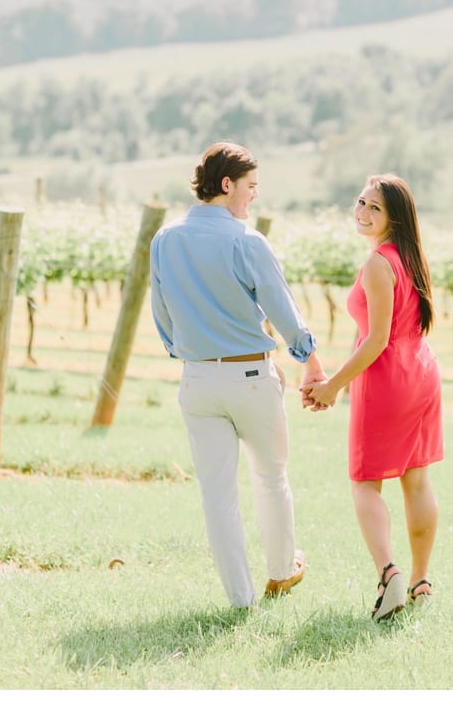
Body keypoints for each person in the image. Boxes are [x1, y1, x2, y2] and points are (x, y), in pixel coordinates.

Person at [150, 141, 325, 609]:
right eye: (250, 187)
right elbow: (282, 309)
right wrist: (310, 359)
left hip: (197, 381)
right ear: (227, 185)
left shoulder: (164, 240)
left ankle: (241, 599)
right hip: (250, 377)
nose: (253, 196)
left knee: (217, 495)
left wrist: (189, 353)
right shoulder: (246, 241)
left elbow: (162, 316)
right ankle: (282, 573)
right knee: (271, 477)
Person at [303, 174, 443, 621]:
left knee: (365, 483)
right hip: (421, 371)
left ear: (394, 218)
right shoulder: (410, 258)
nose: (361, 212)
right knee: (416, 481)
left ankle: (390, 576)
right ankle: (421, 579)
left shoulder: (378, 265)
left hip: (387, 380)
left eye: (374, 208)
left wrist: (333, 385)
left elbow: (376, 340)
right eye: (360, 202)